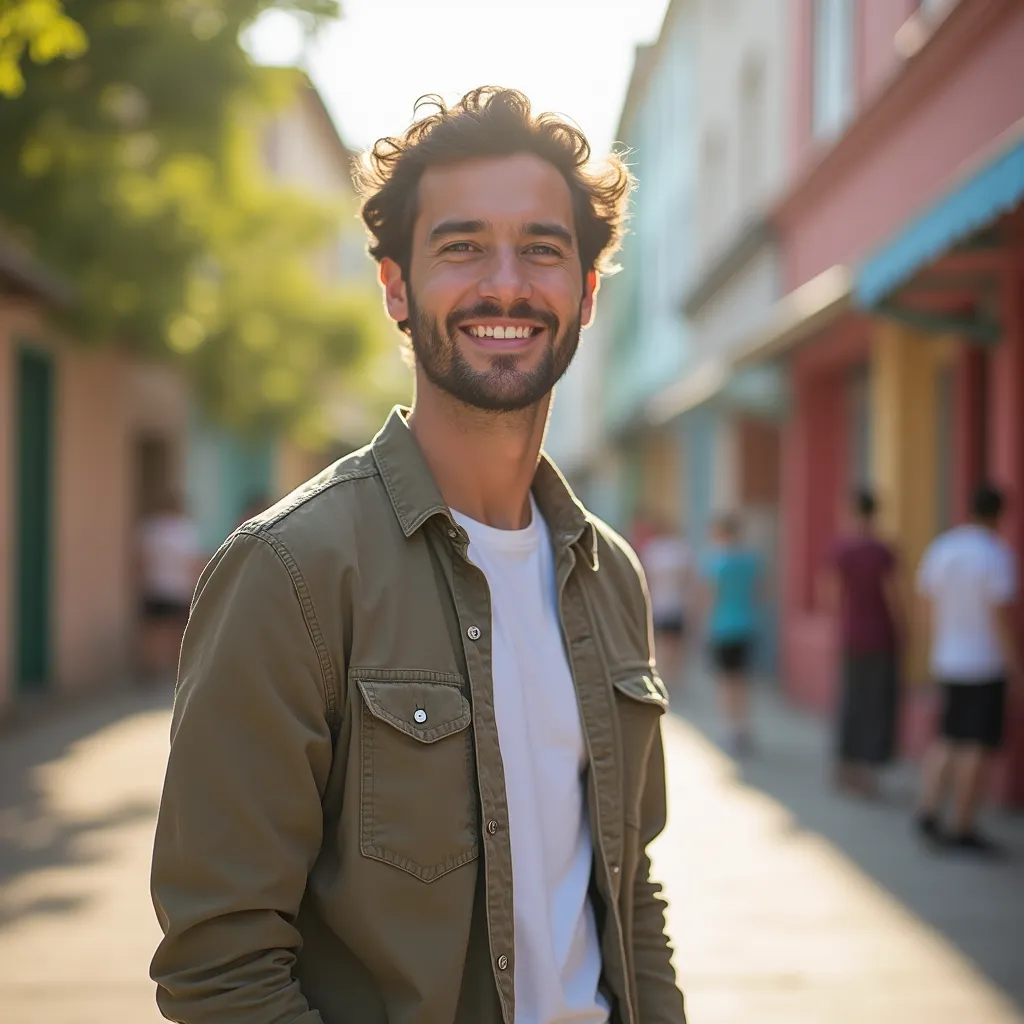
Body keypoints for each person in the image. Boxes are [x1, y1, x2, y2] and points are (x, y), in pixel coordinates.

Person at [150, 88, 686, 1024]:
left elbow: (628, 892)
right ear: (397, 287)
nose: (506, 284)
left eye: (544, 249)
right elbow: (220, 964)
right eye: (463, 246)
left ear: (587, 294)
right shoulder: (291, 574)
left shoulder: (612, 578)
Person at [915, 483, 1019, 855]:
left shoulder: (944, 549)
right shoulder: (996, 555)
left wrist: (931, 650)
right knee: (976, 745)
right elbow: (1000, 617)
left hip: (948, 658)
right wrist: (1015, 667)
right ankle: (962, 823)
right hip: (983, 662)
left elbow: (926, 604)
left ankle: (928, 809)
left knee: (949, 736)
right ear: (1000, 515)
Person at [821, 488, 902, 798]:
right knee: (875, 704)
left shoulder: (842, 549)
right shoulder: (883, 550)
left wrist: (838, 625)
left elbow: (829, 592)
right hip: (881, 636)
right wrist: (906, 630)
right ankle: (866, 773)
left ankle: (844, 767)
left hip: (852, 635)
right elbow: (895, 595)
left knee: (852, 700)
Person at [700, 512, 761, 756]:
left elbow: (710, 597)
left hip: (723, 627)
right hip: (747, 625)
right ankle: (744, 727)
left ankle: (731, 729)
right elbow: (759, 592)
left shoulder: (717, 563)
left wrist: (703, 625)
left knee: (725, 682)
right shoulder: (750, 561)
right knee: (743, 680)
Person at [135, 492, 202, 682]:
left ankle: (150, 670)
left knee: (153, 631)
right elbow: (193, 562)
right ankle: (176, 672)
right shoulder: (185, 530)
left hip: (154, 586)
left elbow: (140, 561)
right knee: (177, 633)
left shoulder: (149, 529)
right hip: (178, 588)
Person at [640, 517, 693, 687]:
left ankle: (661, 677)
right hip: (676, 605)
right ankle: (674, 679)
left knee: (661, 644)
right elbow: (687, 580)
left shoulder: (652, 550)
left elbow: (646, 579)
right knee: (676, 646)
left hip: (659, 604)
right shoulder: (680, 550)